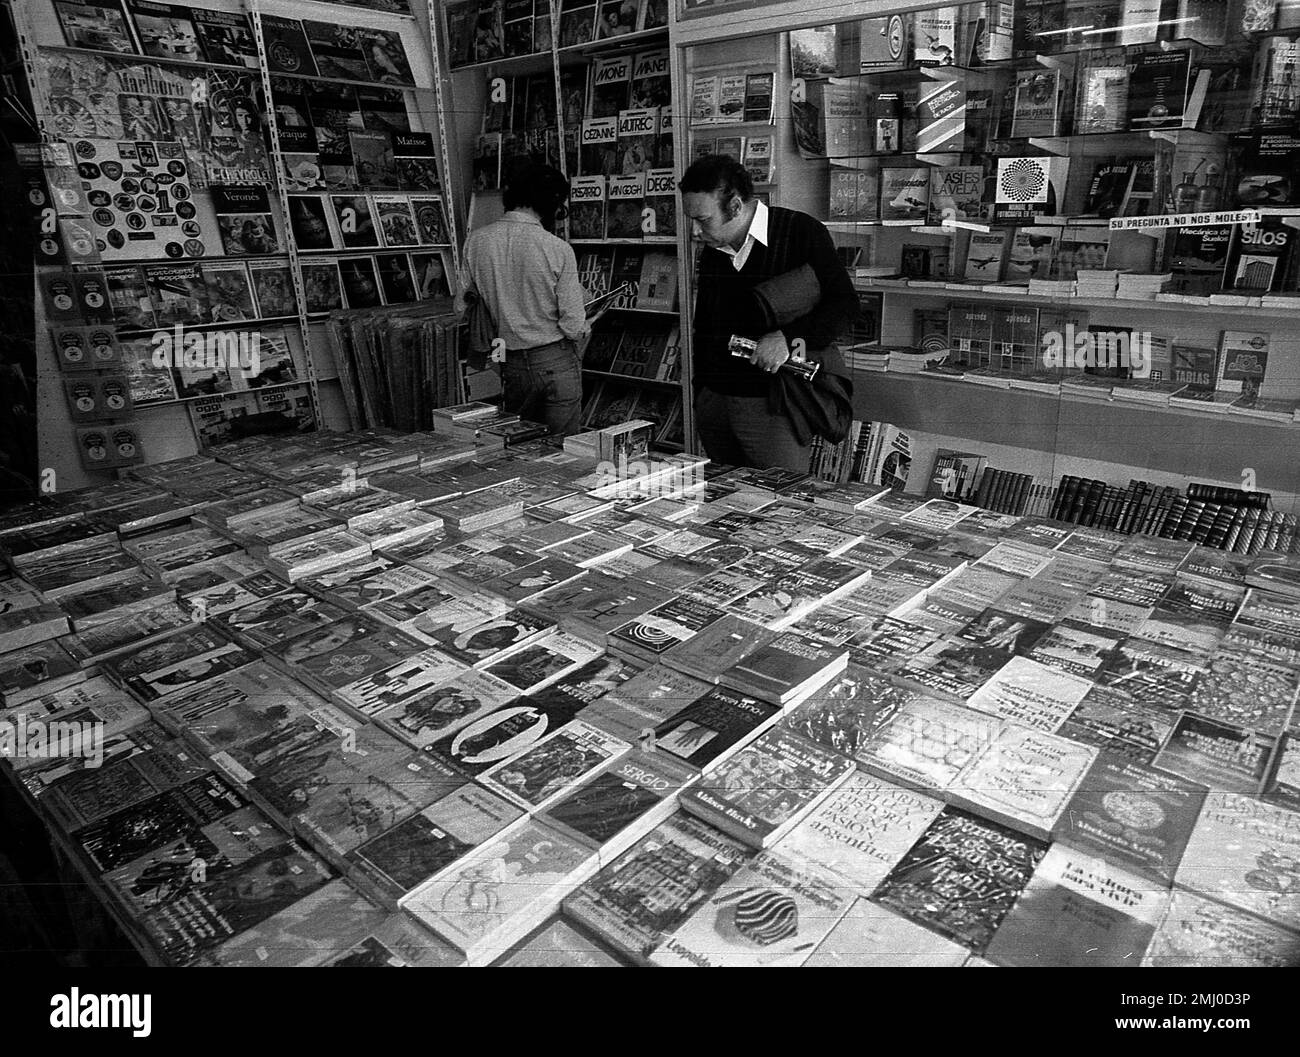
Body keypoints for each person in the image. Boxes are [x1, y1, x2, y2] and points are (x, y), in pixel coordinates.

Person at [680, 154, 859, 471]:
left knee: (781, 503)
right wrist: (701, 394)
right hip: (716, 401)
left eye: (703, 220)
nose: (695, 231)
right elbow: (704, 324)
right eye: (692, 220)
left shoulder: (800, 232)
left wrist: (788, 338)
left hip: (772, 403)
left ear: (735, 207)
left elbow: (844, 305)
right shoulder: (712, 250)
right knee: (723, 500)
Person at [459, 159, 601, 436]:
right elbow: (573, 324)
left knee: (522, 448)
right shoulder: (557, 248)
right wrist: (588, 323)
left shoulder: (477, 242)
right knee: (564, 452)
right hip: (555, 360)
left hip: (509, 362)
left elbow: (461, 308)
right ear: (550, 202)